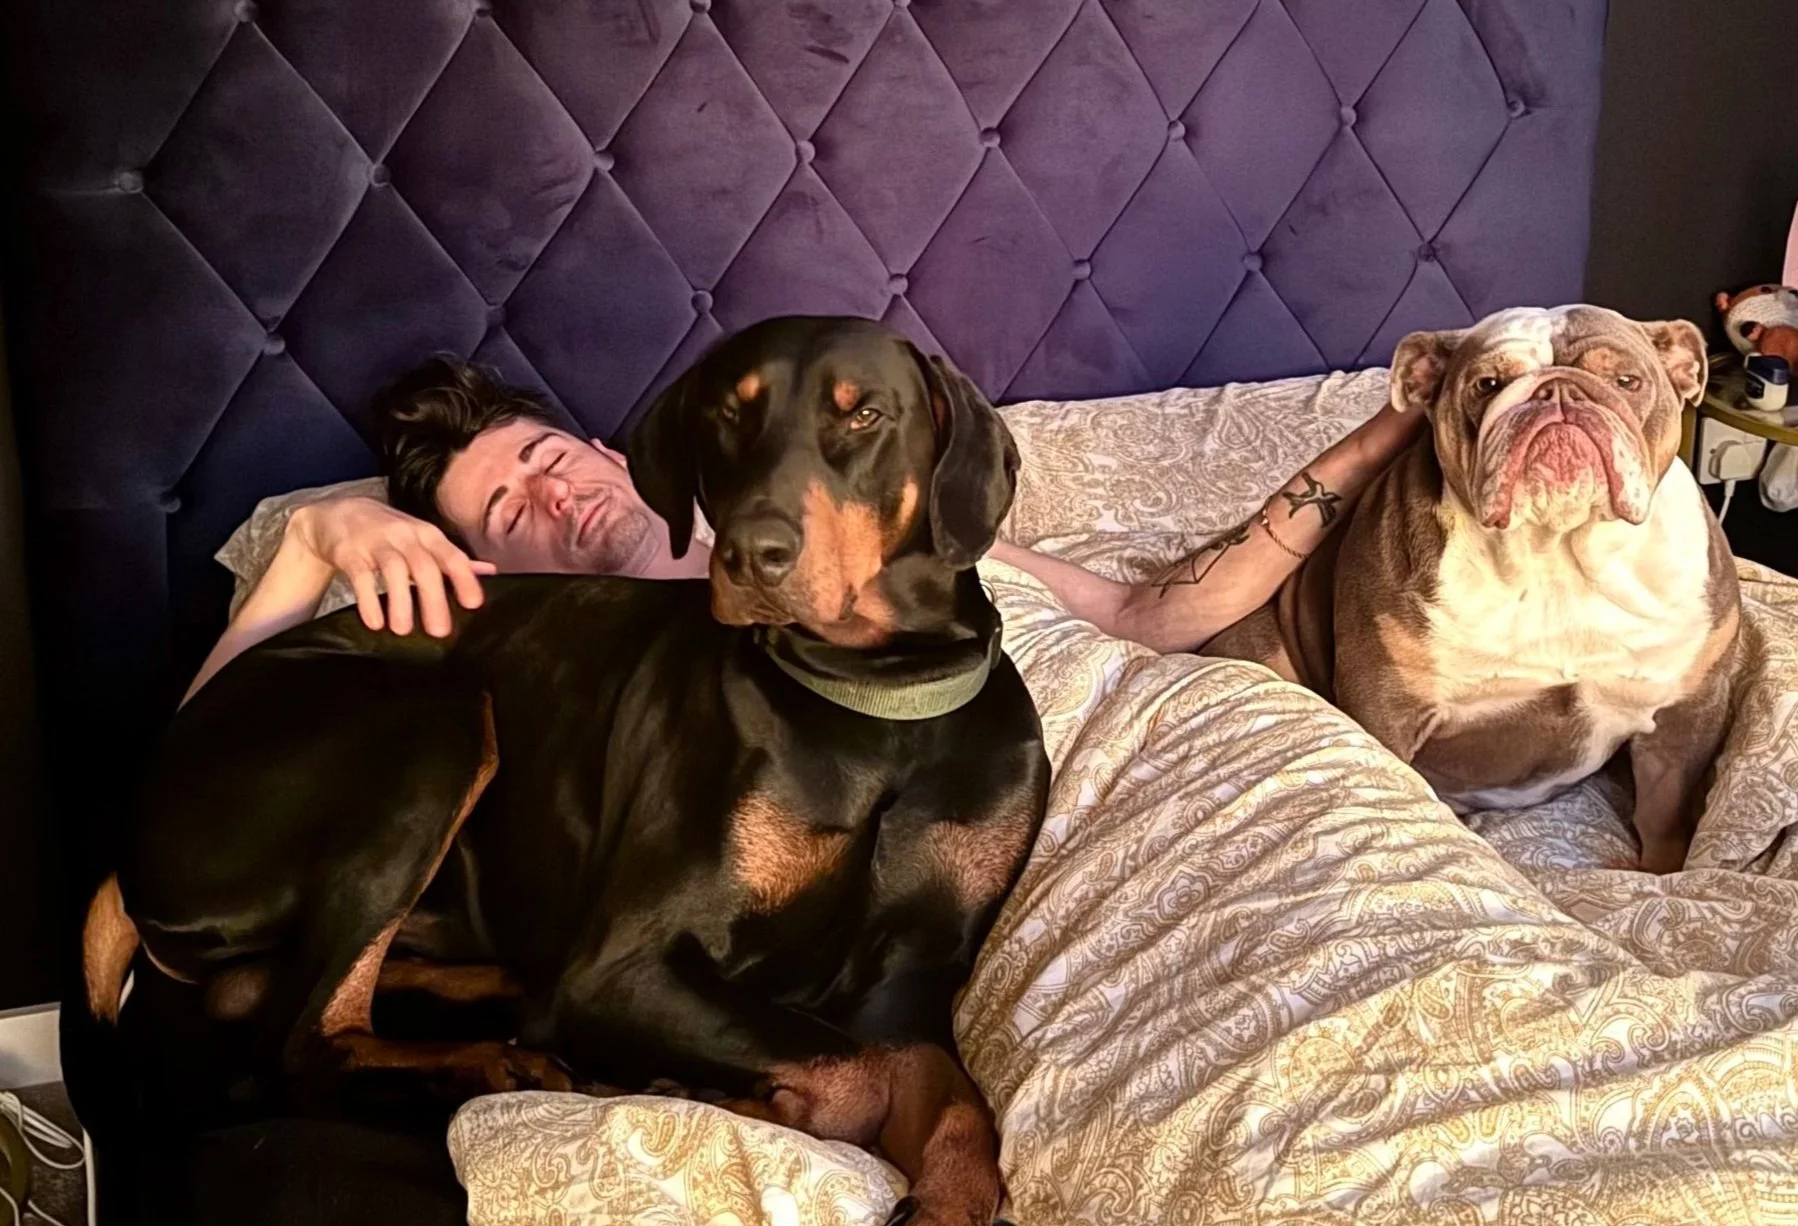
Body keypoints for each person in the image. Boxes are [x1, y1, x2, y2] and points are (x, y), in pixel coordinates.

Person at [188, 358, 1424, 699]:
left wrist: (1378, 442)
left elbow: (1151, 616)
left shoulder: (860, 526)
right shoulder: (540, 648)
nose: (554, 496)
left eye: (549, 461)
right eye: (511, 510)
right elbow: (212, 768)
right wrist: (316, 540)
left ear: (610, 453)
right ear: (487, 563)